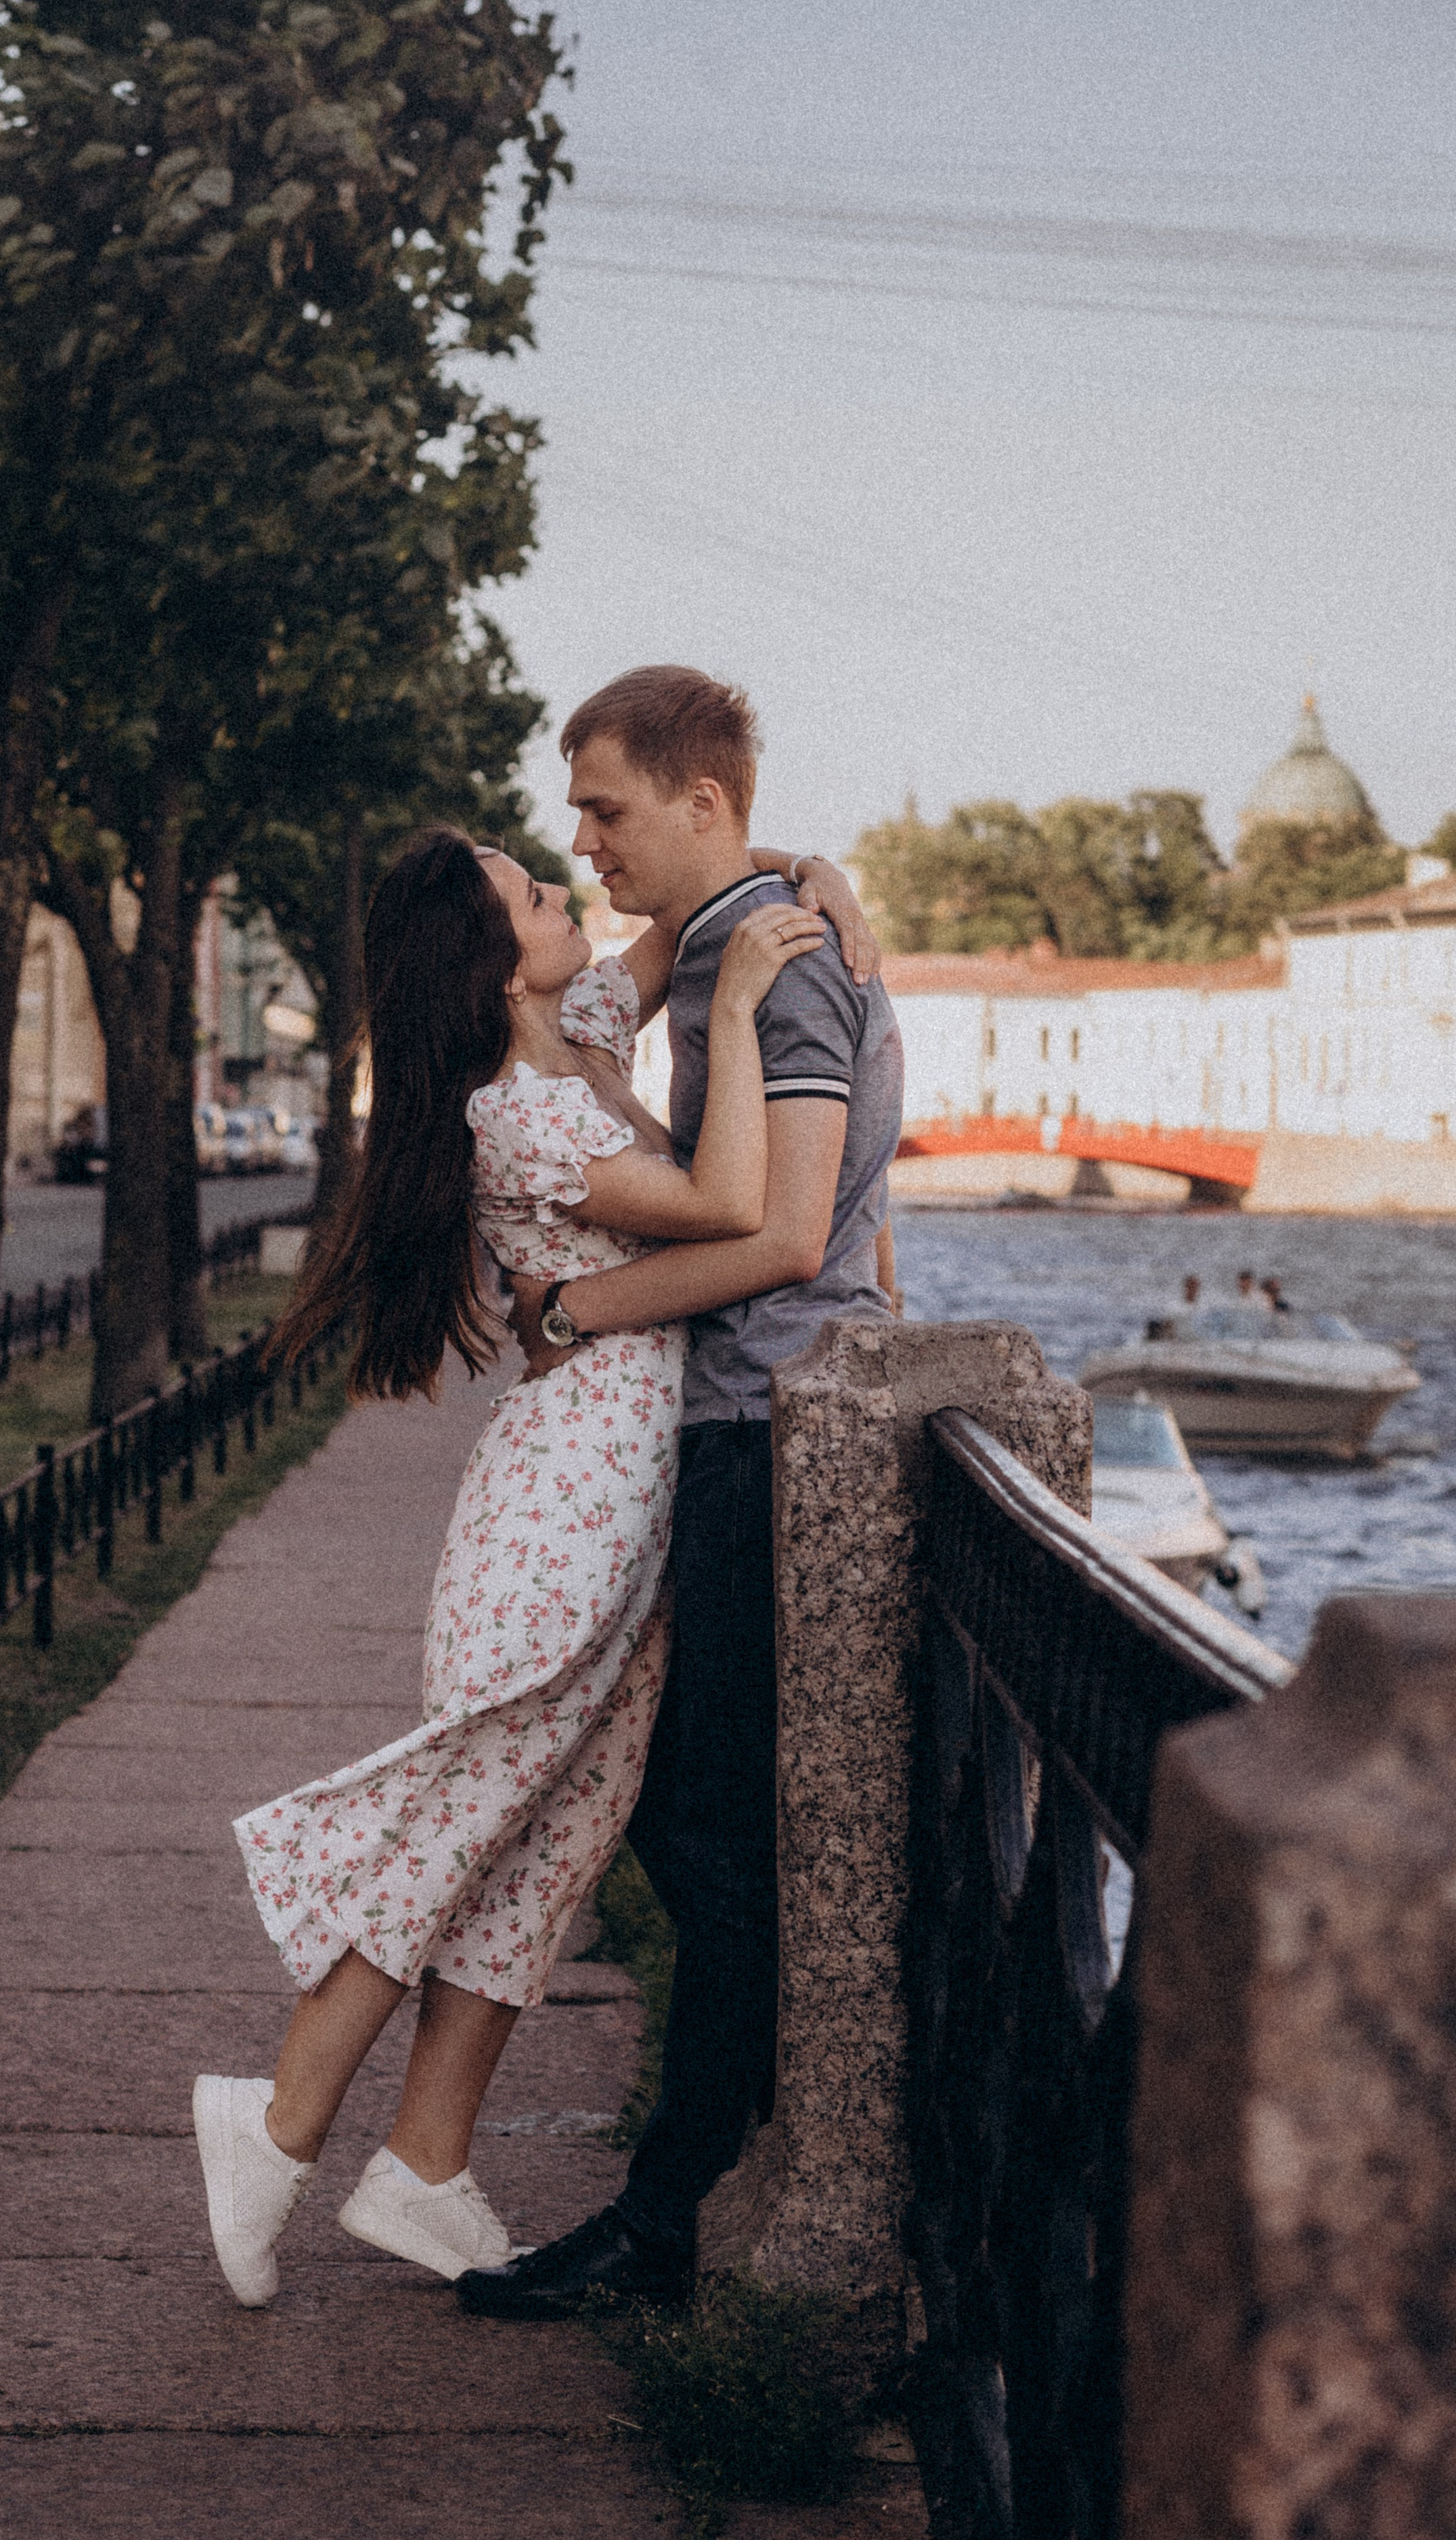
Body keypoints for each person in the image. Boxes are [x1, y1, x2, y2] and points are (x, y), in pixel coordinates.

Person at [191, 813, 877, 2305]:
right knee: (468, 1808)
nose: (562, 890)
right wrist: (753, 1011)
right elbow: (722, 1208)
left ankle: (423, 2167)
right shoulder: (520, 1110)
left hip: (627, 1497)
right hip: (566, 1504)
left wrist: (807, 883)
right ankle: (280, 2115)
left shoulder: (575, 1023)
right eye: (527, 893)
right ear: (489, 965)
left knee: (548, 1844)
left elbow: (685, 925)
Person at [458, 664, 904, 2321]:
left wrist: (566, 1312)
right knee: (704, 1825)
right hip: (759, 1424)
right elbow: (838, 1228)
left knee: (708, 1835)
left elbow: (783, 1233)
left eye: (604, 809)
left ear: (696, 802)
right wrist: (801, 863)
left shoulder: (769, 970)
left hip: (761, 1434)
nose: (581, 842)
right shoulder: (753, 933)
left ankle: (676, 2212)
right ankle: (685, 2192)